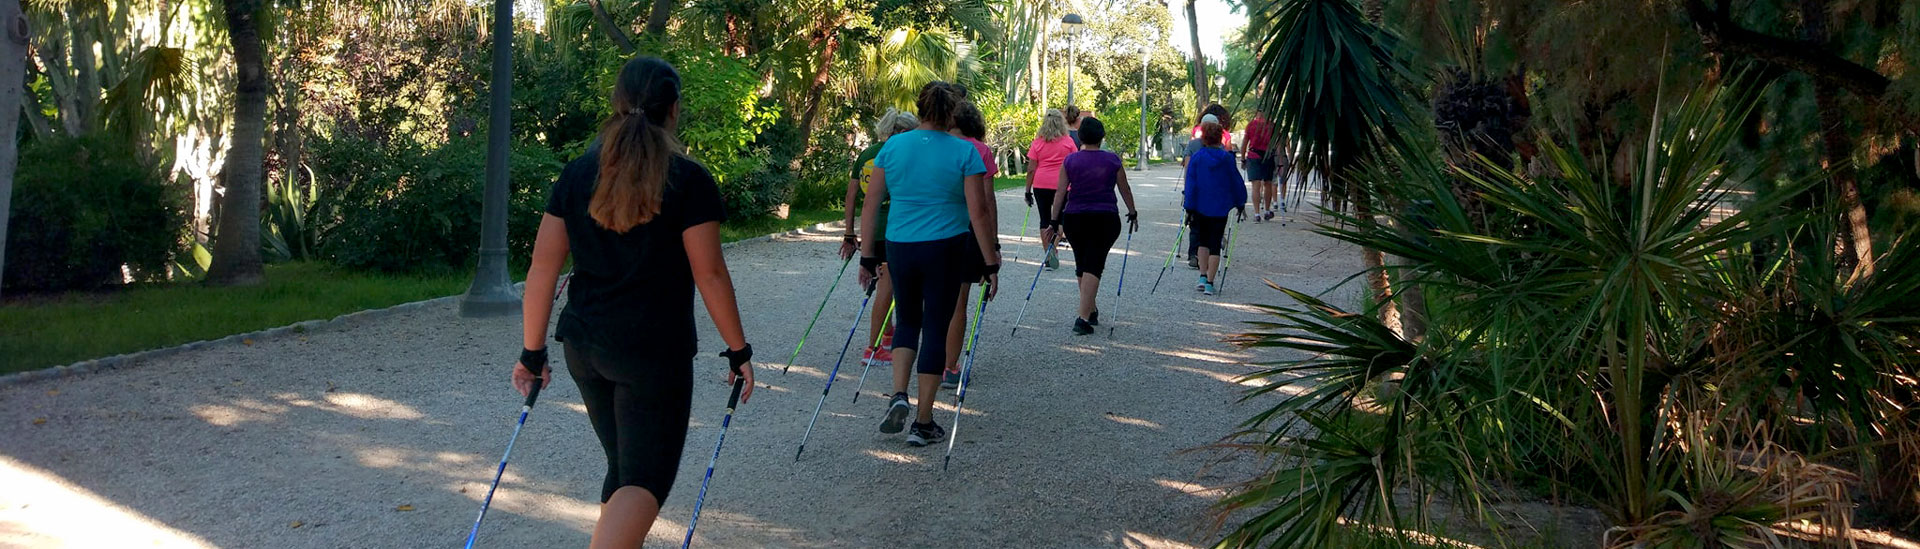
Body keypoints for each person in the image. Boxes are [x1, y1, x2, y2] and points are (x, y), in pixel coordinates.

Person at [512, 56, 754, 547]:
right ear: (675, 109)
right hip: (651, 351)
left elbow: (542, 267)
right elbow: (709, 272)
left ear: (616, 104)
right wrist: (738, 350)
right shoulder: (688, 179)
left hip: (584, 345)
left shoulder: (578, 173)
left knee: (624, 471)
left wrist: (531, 353)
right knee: (644, 482)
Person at [860, 81, 1001, 447]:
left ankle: (897, 394)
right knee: (936, 326)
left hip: (900, 245)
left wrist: (866, 254)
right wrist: (990, 262)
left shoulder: (892, 146)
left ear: (919, 108)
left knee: (907, 319)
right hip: (946, 245)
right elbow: (979, 212)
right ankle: (924, 421)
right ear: (953, 112)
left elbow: (872, 202)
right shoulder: (963, 152)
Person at [1045, 117, 1138, 335]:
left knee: (1083, 263)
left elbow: (1060, 193)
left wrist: (1053, 220)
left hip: (1075, 217)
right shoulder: (1113, 160)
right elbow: (1124, 189)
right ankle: (1083, 318)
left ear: (1080, 137)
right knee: (1094, 264)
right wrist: (1132, 211)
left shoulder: (1070, 161)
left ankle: (1091, 309)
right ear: (1102, 136)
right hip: (1105, 218)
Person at [843, 109, 920, 370]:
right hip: (893, 228)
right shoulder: (902, 153)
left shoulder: (867, 154)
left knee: (881, 284)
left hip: (871, 229)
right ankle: (873, 347)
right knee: (887, 288)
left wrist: (850, 233)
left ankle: (887, 335)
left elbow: (852, 196)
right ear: (902, 131)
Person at [941, 100, 1000, 389]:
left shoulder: (929, 144)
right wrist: (993, 242)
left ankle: (929, 359)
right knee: (958, 302)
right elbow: (986, 202)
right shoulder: (979, 150)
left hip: (926, 232)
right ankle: (949, 366)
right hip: (965, 231)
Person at [1182, 120, 1247, 296]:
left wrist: (1188, 206)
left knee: (1202, 242)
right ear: (1220, 139)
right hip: (1220, 207)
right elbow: (1235, 181)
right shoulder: (1227, 158)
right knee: (1215, 243)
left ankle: (1202, 276)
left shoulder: (1197, 158)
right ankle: (1210, 282)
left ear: (1204, 139)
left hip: (1200, 206)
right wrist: (1241, 202)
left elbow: (1191, 183)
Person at [1026, 109, 1077, 271]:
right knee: (1060, 219)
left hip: (1041, 184)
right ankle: (1054, 247)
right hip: (1062, 185)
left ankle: (1048, 253)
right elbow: (1074, 164)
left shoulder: (1038, 143)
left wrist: (1028, 190)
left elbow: (1031, 169)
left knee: (1044, 219)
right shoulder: (1068, 142)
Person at [1182, 112, 1230, 268]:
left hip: (1197, 192)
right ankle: (1209, 255)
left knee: (1195, 225)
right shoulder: (1221, 148)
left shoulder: (1193, 145)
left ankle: (1193, 255)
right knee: (1213, 225)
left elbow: (1188, 167)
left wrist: (1187, 189)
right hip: (1216, 195)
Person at [1242, 112, 1276, 222]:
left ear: (1257, 113)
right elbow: (1278, 143)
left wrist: (1243, 158)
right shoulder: (1272, 125)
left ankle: (1257, 213)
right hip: (1268, 155)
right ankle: (1267, 210)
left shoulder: (1251, 125)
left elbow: (1245, 142)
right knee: (1268, 183)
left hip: (1253, 155)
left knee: (1256, 185)